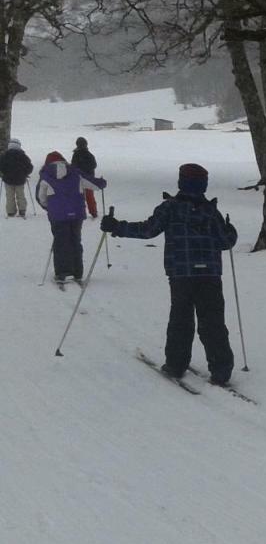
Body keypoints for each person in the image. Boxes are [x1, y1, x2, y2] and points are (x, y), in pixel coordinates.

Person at [101, 164, 238, 385]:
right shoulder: (211, 212)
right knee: (212, 321)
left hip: (181, 273)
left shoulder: (170, 208)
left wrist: (117, 227)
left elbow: (148, 230)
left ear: (181, 183)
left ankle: (176, 364)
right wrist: (231, 230)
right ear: (204, 185)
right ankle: (221, 369)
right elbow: (225, 242)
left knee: (180, 319)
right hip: (210, 274)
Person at [35, 151, 106, 282]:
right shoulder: (75, 172)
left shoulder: (46, 175)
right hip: (76, 214)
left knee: (60, 242)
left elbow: (40, 197)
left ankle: (62, 272)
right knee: (75, 241)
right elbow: (95, 184)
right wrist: (102, 182)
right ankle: (77, 272)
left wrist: (49, 207)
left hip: (57, 215)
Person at [0, 139, 33, 218]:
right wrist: (26, 173)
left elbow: (1, 166)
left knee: (9, 196)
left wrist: (3, 173)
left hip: (8, 179)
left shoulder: (4, 156)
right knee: (20, 195)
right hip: (20, 179)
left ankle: (10, 211)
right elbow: (30, 167)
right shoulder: (23, 156)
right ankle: (22, 210)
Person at [71, 136, 99, 218]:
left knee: (79, 195)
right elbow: (94, 165)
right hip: (88, 178)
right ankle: (93, 212)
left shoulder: (76, 154)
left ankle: (80, 211)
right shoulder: (89, 154)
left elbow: (73, 166)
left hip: (78, 178)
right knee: (89, 196)